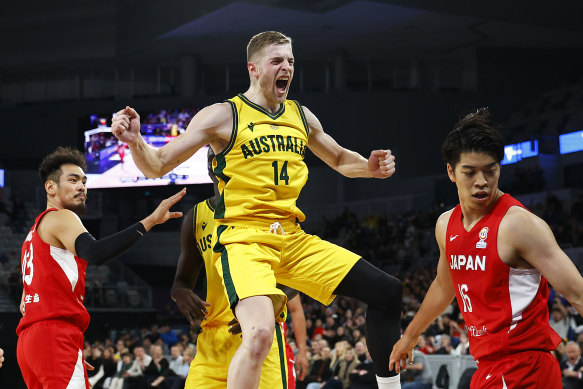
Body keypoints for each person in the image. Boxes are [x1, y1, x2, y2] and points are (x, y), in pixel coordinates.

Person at [113, 30, 402, 389]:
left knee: (387, 291)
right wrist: (135, 140)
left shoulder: (301, 115)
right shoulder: (223, 115)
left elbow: (340, 158)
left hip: (292, 239)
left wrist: (369, 166)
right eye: (277, 60)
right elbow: (156, 165)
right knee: (262, 333)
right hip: (245, 241)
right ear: (253, 68)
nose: (287, 68)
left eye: (291, 61)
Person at [389, 108, 583, 388]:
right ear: (451, 172)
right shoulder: (445, 224)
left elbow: (577, 292)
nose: (481, 182)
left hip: (526, 368)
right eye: (469, 172)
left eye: (490, 171)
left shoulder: (519, 225)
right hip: (488, 368)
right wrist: (410, 336)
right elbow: (445, 286)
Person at [16, 147, 185, 389]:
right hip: (54, 336)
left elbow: (25, 302)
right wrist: (150, 221)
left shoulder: (31, 237)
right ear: (50, 187)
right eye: (73, 180)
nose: (82, 186)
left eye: (84, 181)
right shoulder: (62, 217)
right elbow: (95, 252)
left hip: (31, 342)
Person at [171, 146, 306, 388]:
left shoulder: (270, 208)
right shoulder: (196, 216)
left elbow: (298, 274)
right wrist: (179, 292)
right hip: (212, 341)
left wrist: (266, 308)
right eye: (212, 155)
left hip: (258, 334)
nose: (216, 160)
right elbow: (181, 281)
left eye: (224, 153)